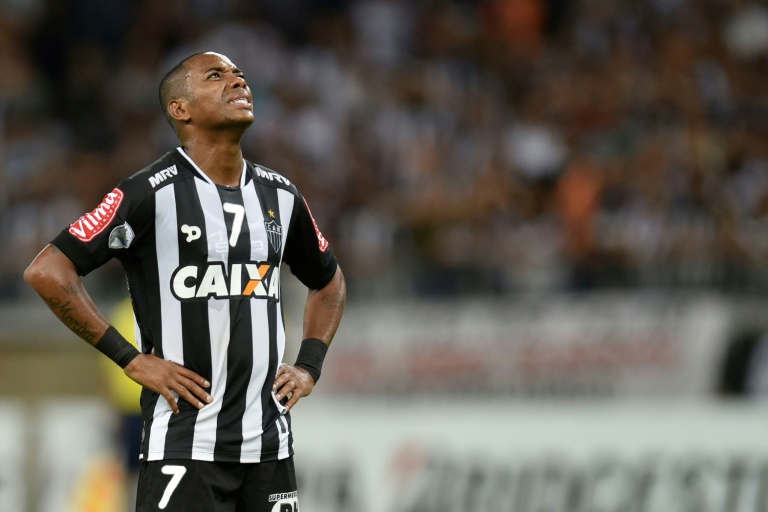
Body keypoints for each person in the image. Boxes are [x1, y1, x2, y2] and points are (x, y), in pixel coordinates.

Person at [24, 51, 346, 512]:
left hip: (270, 449)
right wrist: (131, 359)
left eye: (240, 75)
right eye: (217, 76)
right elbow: (48, 270)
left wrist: (309, 365)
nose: (238, 82)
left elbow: (329, 283)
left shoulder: (281, 195)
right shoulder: (149, 192)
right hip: (184, 446)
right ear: (181, 109)